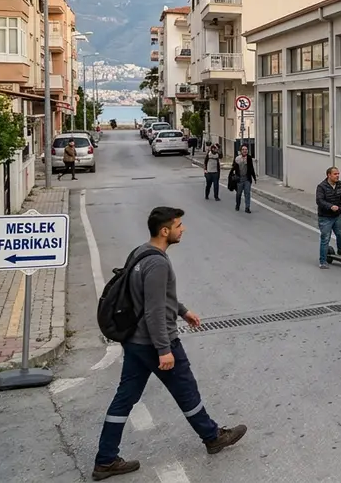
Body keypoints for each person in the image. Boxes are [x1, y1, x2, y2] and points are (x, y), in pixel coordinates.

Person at [92, 207, 246, 480]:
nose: (182, 229)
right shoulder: (158, 264)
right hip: (155, 343)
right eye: (178, 225)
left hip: (134, 342)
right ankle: (212, 437)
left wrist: (183, 311)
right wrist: (164, 350)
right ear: (165, 231)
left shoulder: (140, 252)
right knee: (187, 391)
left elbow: (156, 296)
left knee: (124, 399)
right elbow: (154, 310)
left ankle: (105, 460)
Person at [229, 145, 256, 213]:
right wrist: (231, 177)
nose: (245, 151)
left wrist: (254, 177)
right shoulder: (237, 159)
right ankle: (237, 205)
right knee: (239, 193)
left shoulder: (249, 158)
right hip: (239, 179)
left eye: (246, 149)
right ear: (241, 151)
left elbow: (251, 168)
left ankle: (247, 207)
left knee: (247, 193)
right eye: (243, 149)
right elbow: (233, 168)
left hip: (247, 178)